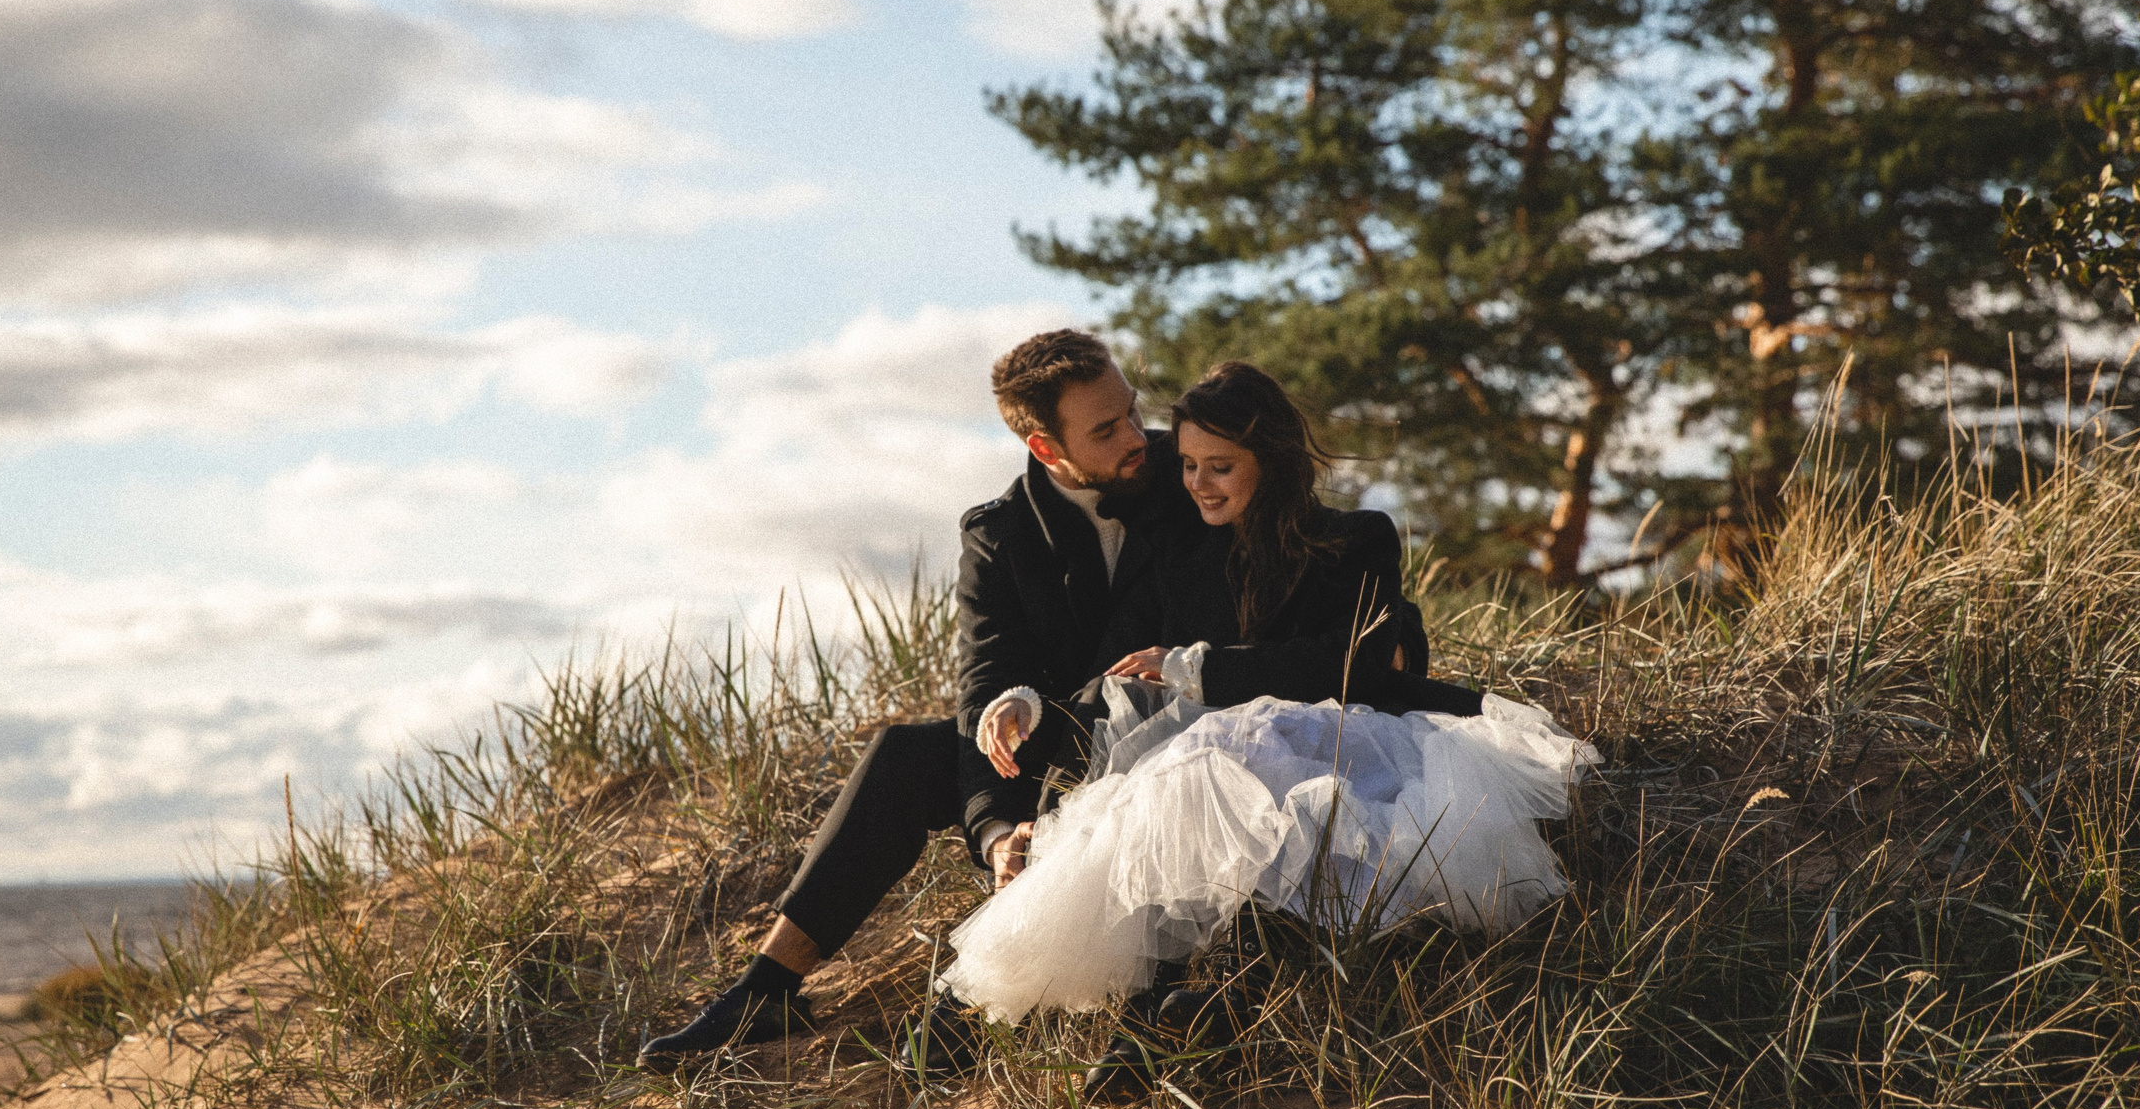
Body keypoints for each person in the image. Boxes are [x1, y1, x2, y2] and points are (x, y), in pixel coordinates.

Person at [938, 360, 1596, 1035]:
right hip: (1220, 782)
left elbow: (1354, 664)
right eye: (1188, 465)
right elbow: (1123, 682)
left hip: (1350, 760)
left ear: (1270, 459)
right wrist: (1036, 709)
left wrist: (1199, 669)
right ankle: (1088, 1018)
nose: (1198, 483)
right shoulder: (1180, 558)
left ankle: (1217, 997)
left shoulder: (1356, 538)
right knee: (1174, 779)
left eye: (1219, 466)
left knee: (1222, 746)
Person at [638, 330, 1200, 1068]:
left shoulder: (1189, 474)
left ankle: (996, 1008)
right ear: (1044, 447)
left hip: (1168, 739)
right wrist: (997, 832)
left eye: (1131, 410)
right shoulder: (1000, 533)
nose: (1136, 436)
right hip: (1051, 741)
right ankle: (767, 988)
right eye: (1106, 429)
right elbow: (983, 694)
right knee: (907, 755)